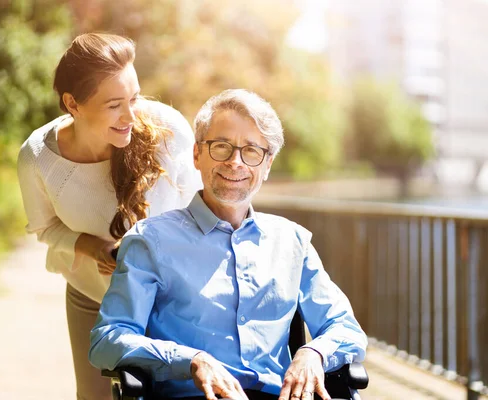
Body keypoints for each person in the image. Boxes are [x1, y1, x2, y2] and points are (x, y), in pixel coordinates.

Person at [89, 89, 367, 400]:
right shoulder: (150, 241)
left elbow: (345, 328)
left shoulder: (293, 243)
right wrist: (191, 360)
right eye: (221, 147)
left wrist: (314, 353)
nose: (235, 162)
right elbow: (108, 340)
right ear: (196, 154)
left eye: (251, 151)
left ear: (268, 164)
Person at [16, 33, 202, 400]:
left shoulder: (169, 132)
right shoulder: (37, 157)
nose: (132, 115)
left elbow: (204, 212)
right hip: (93, 299)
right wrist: (94, 247)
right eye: (115, 104)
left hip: (174, 302)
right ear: (73, 104)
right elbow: (45, 227)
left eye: (134, 98)